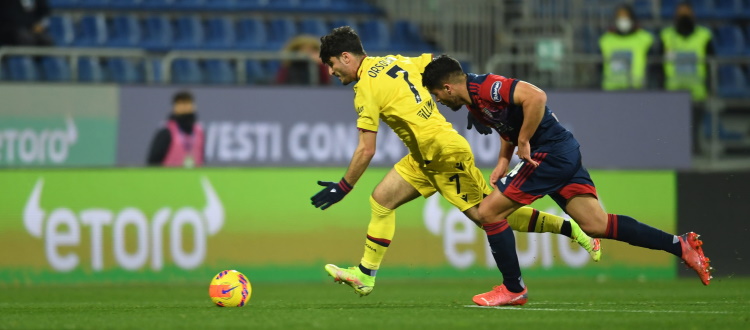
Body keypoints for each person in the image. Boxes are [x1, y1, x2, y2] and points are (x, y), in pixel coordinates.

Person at [310, 26, 601, 300]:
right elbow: (444, 66)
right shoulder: (393, 61)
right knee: (382, 200)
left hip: (444, 153)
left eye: (332, 64)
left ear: (346, 57)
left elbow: (366, 150)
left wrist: (344, 186)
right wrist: (472, 101)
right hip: (424, 157)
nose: (331, 70)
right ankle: (365, 275)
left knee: (488, 214)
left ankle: (571, 229)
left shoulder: (365, 89)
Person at [421, 54, 712, 307]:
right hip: (563, 151)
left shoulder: (486, 86)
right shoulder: (475, 104)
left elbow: (535, 97)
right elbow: (506, 125)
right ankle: (680, 245)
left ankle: (513, 288)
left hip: (549, 154)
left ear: (448, 87)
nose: (438, 101)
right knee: (596, 224)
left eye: (437, 95)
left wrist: (524, 141)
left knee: (488, 213)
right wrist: (502, 160)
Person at [660, 2, 714, 152]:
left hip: (697, 91)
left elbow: (712, 64)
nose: (684, 16)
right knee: (675, 131)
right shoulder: (666, 36)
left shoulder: (704, 36)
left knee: (694, 130)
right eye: (681, 13)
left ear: (693, 15)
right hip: (673, 92)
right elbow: (658, 66)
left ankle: (695, 153)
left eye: (687, 12)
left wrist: (710, 87)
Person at [598, 4, 654, 90]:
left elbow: (653, 67)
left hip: (636, 89)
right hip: (611, 90)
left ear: (632, 18)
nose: (623, 20)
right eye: (620, 16)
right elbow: (599, 67)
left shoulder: (645, 38)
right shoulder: (605, 40)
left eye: (625, 16)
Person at [147, 90, 204, 167]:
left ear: (194, 106)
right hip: (170, 178)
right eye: (180, 103)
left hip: (193, 178)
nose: (184, 107)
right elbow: (153, 162)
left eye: (187, 103)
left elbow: (201, 159)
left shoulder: (199, 132)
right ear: (174, 107)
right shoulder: (166, 131)